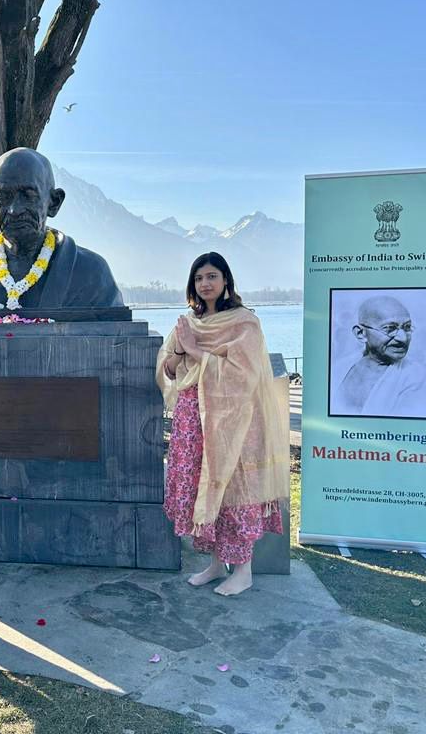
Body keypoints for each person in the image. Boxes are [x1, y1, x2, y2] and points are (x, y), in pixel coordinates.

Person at [156, 252, 289, 596]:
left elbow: (243, 375)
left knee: (233, 487)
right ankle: (216, 564)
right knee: (201, 485)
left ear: (226, 280)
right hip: (193, 418)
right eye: (199, 278)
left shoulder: (244, 323)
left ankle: (243, 571)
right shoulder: (189, 322)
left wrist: (194, 349)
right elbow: (168, 370)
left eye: (212, 276)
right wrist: (181, 350)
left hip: (233, 421)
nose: (205, 283)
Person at [0, 147, 123, 310]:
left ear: (54, 203)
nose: (14, 210)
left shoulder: (92, 274)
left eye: (28, 195)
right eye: (3, 197)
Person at [331, 295, 426, 418]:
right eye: (389, 329)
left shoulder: (420, 380)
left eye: (407, 328)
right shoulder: (338, 369)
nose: (403, 338)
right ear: (361, 333)